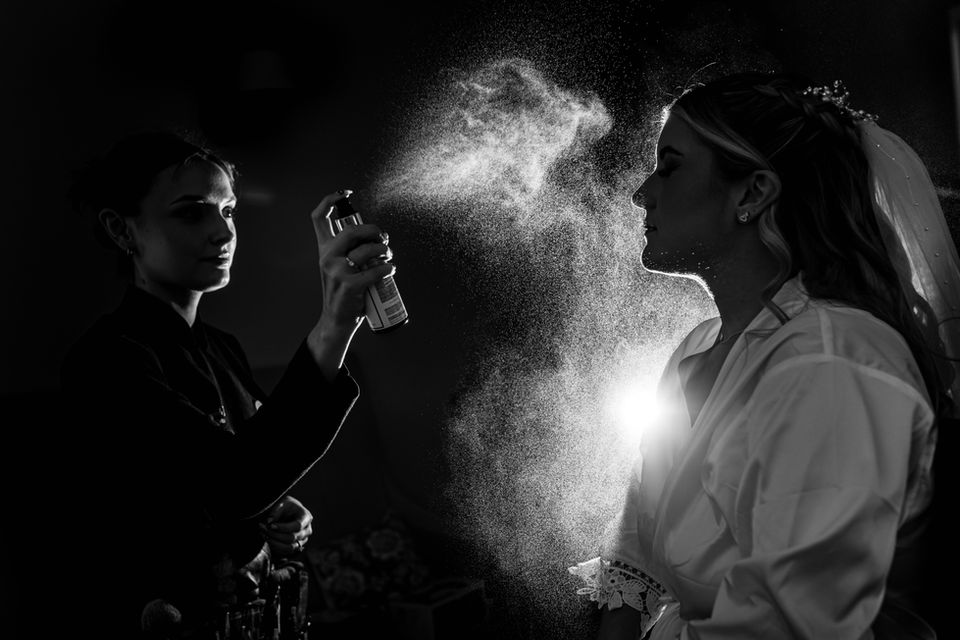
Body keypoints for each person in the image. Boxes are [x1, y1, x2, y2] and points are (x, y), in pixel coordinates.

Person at [569, 73, 960, 639]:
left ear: (753, 194)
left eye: (671, 165)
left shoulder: (833, 364)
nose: (642, 193)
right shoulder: (697, 348)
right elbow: (638, 553)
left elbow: (793, 625)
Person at [59, 130, 394, 638]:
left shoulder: (222, 348)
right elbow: (231, 485)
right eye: (191, 211)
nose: (223, 232)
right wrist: (335, 322)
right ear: (121, 229)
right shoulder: (106, 362)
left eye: (229, 210)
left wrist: (275, 512)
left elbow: (241, 472)